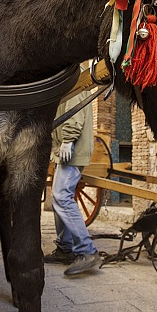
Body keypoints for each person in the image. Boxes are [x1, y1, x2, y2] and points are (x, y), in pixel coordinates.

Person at [43, 90, 100, 276]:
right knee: (59, 197)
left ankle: (87, 251)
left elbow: (75, 111)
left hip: (72, 149)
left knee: (61, 196)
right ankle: (64, 249)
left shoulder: (77, 79)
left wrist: (68, 140)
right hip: (65, 150)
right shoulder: (69, 78)